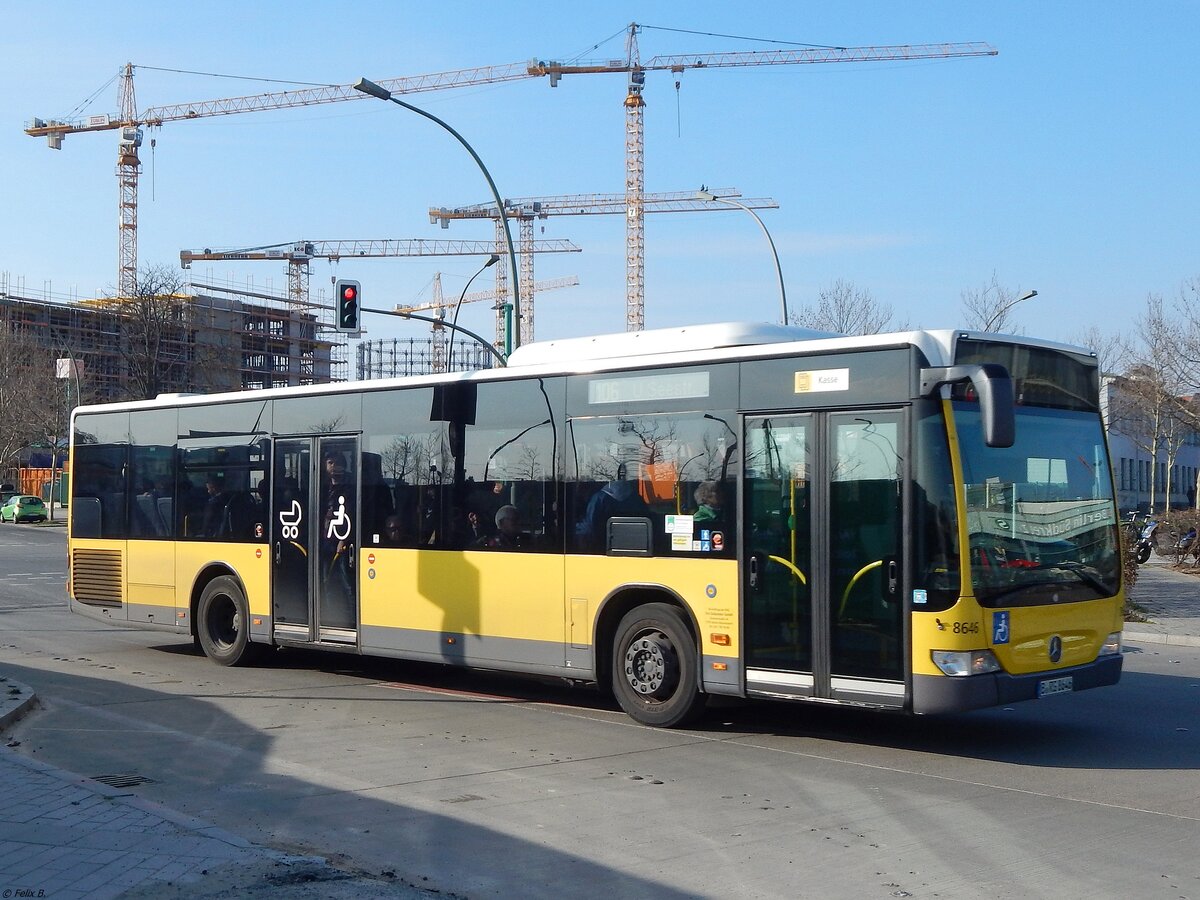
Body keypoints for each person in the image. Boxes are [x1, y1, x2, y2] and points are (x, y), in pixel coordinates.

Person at [576, 465, 647, 551]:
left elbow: (589, 527)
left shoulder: (599, 498)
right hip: (638, 548)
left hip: (602, 548)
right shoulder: (637, 498)